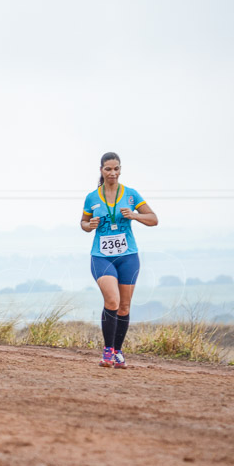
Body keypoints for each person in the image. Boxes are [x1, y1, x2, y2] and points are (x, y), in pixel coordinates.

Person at [81, 151, 158, 369]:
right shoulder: (92, 197)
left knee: (124, 306)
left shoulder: (131, 194)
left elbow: (153, 219)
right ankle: (107, 351)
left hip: (128, 257)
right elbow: (83, 223)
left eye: (116, 169)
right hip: (101, 257)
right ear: (101, 171)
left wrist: (134, 215)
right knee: (112, 301)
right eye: (108, 169)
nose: (112, 173)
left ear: (120, 169)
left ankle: (118, 351)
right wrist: (90, 225)